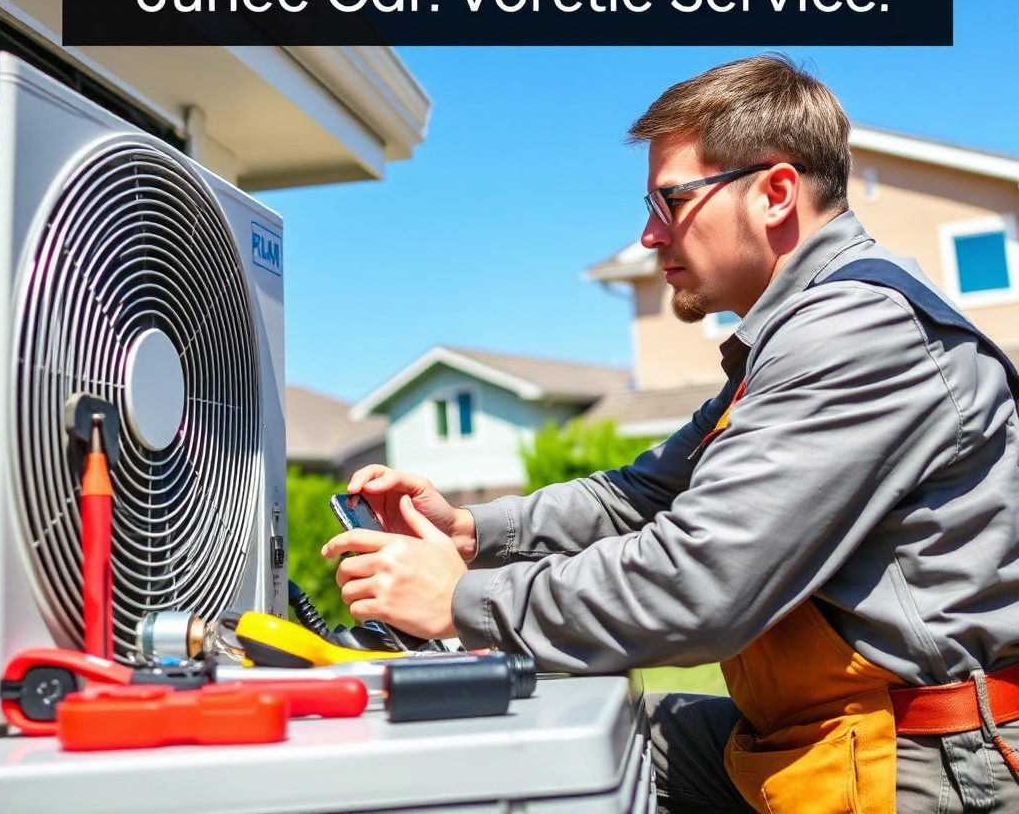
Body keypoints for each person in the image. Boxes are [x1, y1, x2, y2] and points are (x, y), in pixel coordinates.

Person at [322, 53, 1019, 814]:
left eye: (670, 202)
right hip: (840, 729)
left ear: (775, 193)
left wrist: (463, 600)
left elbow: (700, 584)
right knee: (593, 733)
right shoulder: (788, 339)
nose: (650, 237)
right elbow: (643, 496)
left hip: (927, 760)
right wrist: (469, 534)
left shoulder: (855, 334)